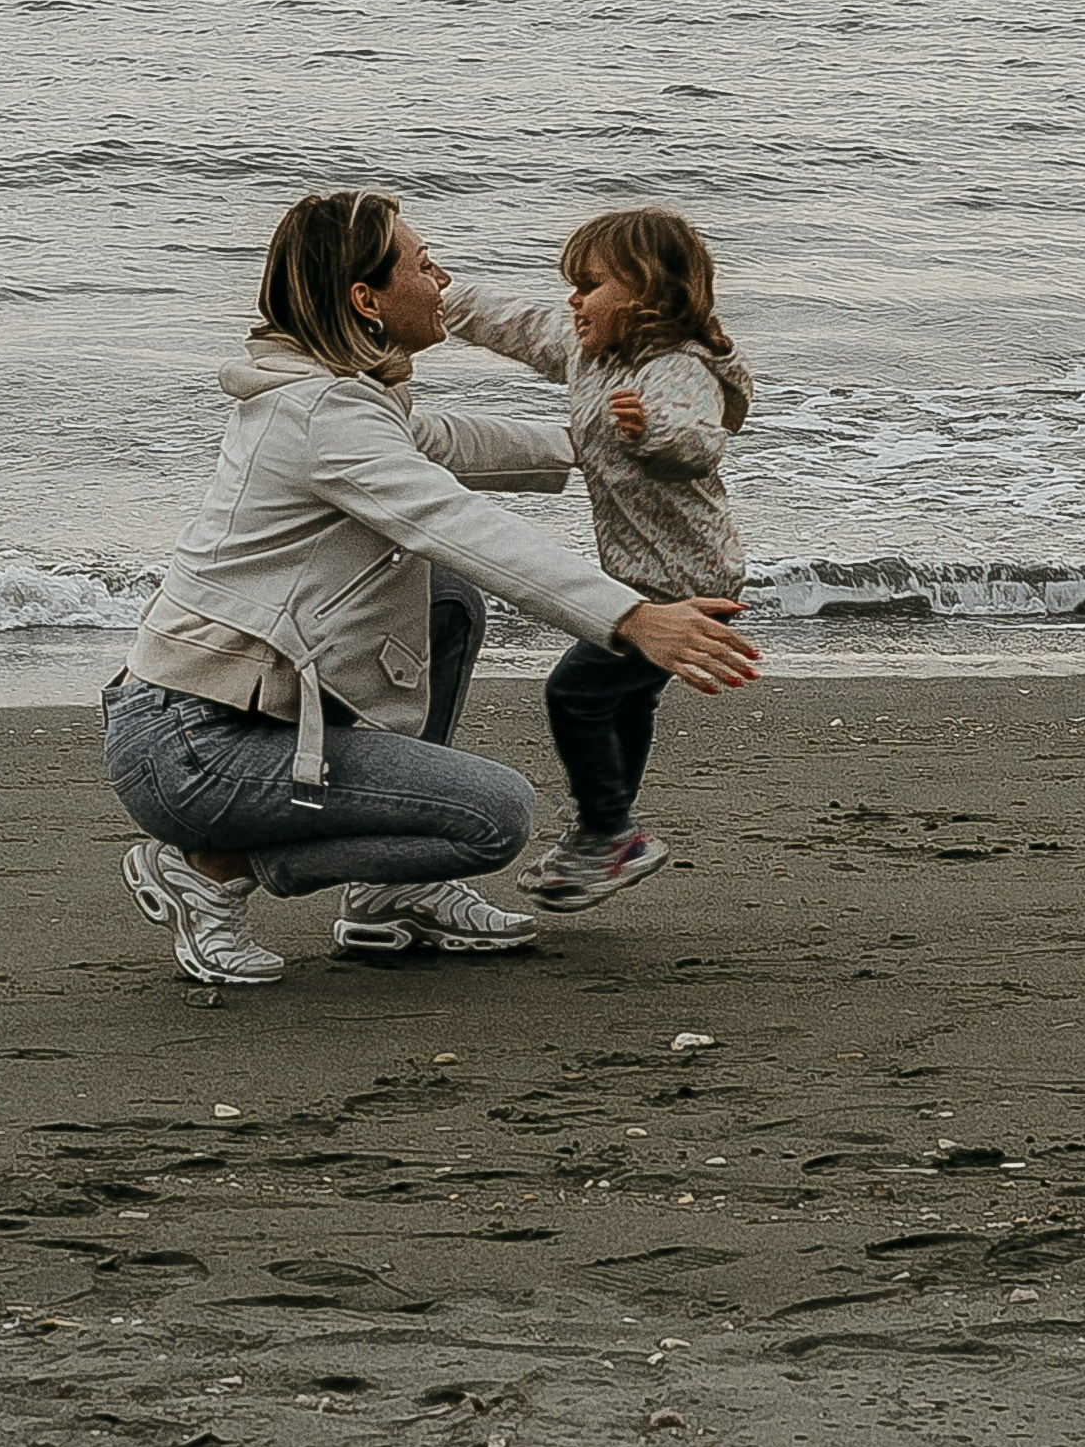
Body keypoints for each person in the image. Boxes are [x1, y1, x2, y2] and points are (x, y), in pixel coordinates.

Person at [104, 190, 760, 989]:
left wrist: (623, 447)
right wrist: (631, 618)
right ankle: (211, 871)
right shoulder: (324, 416)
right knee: (497, 818)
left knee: (445, 601)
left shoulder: (344, 397)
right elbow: (454, 523)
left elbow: (456, 445)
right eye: (423, 265)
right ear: (366, 299)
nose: (441, 279)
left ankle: (390, 893)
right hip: (194, 745)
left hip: (212, 722)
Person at [444, 206, 754, 912]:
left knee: (576, 694)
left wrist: (652, 431)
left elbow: (702, 441)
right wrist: (442, 295)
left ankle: (611, 831)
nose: (573, 299)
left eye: (589, 285)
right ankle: (607, 829)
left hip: (685, 586)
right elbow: (515, 323)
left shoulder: (678, 369)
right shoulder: (589, 351)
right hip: (638, 573)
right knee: (624, 701)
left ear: (647, 291)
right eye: (572, 284)